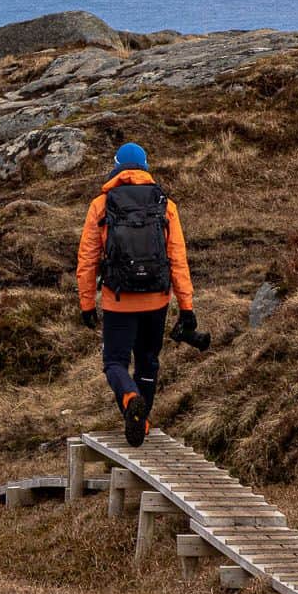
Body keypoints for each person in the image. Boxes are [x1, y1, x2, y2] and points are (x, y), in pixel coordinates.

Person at [75, 142, 195, 448]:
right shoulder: (165, 205)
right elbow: (178, 259)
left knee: (115, 362)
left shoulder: (101, 205)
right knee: (148, 361)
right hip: (157, 299)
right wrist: (186, 306)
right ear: (145, 166)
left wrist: (87, 303)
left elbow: (87, 260)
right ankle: (143, 420)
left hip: (118, 299)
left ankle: (130, 399)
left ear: (116, 166)